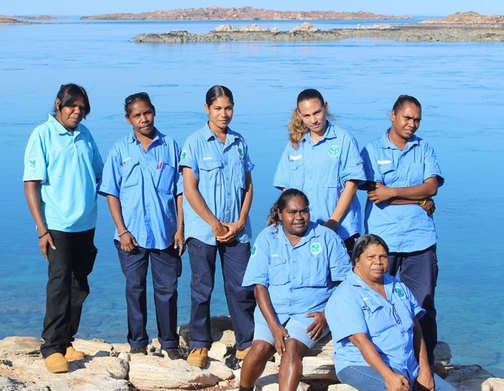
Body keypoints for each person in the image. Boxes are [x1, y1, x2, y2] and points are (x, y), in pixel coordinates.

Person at [98, 92, 186, 360]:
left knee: (167, 291)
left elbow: (180, 191)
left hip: (165, 234)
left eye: (147, 113)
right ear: (128, 119)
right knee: (134, 290)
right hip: (131, 237)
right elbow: (111, 192)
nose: (143, 119)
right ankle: (137, 344)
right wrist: (122, 230)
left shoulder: (170, 146)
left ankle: (169, 343)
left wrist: (181, 228)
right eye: (137, 115)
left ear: (154, 112)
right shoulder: (120, 150)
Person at [23, 84, 103, 373]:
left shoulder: (85, 134)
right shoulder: (42, 135)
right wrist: (42, 230)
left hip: (87, 222)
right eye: (72, 106)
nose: (77, 112)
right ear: (59, 103)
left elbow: (99, 172)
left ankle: (67, 340)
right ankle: (51, 346)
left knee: (79, 284)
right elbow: (31, 184)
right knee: (58, 283)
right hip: (57, 224)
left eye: (82, 108)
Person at [360, 95, 444, 365]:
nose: (412, 124)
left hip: (419, 240)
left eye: (417, 120)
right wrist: (417, 198)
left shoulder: (424, 149)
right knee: (375, 302)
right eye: (407, 118)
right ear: (393, 115)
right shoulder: (372, 150)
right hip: (382, 241)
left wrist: (394, 192)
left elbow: (431, 187)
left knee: (423, 306)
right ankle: (379, 360)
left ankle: (425, 363)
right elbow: (375, 194)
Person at [239, 189, 350, 391]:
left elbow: (345, 284)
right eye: (292, 212)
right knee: (260, 348)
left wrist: (327, 315)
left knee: (291, 348)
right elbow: (259, 287)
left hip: (311, 311)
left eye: (303, 211)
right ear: (280, 214)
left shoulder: (326, 237)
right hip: (273, 310)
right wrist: (274, 326)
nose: (299, 217)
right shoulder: (267, 238)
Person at [179, 85, 256, 368]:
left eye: (228, 108)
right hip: (203, 232)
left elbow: (248, 186)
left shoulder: (239, 142)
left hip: (237, 230)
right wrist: (214, 223)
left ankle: (246, 343)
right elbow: (190, 190)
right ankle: (199, 344)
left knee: (242, 288)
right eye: (217, 108)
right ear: (207, 109)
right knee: (202, 288)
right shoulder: (195, 143)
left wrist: (240, 221)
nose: (224, 114)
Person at [325, 235, 456, 391]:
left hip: (407, 366)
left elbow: (416, 329)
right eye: (370, 257)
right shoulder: (346, 295)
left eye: (383, 257)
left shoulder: (397, 286)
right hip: (362, 364)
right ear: (356, 261)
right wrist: (388, 376)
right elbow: (361, 341)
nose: (378, 262)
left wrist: (425, 371)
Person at [273, 88, 366, 256]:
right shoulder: (295, 144)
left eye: (317, 112)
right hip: (303, 231)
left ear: (326, 107)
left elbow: (351, 186)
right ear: (299, 114)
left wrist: (332, 223)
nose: (314, 120)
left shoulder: (344, 139)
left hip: (341, 230)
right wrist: (291, 223)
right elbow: (286, 190)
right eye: (307, 115)